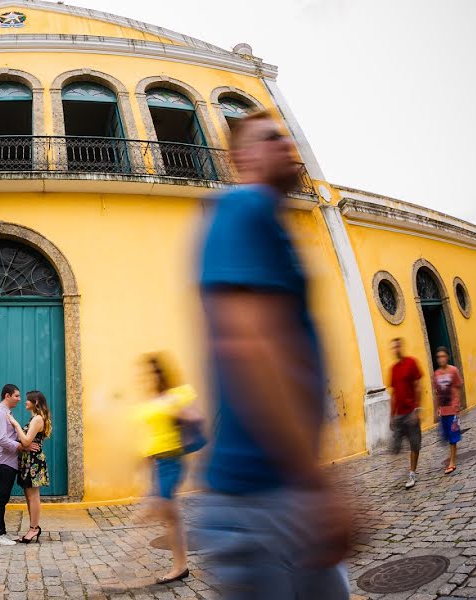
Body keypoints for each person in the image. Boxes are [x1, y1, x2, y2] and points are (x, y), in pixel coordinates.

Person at [195, 110, 351, 599]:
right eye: (269, 138)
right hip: (261, 500)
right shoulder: (246, 206)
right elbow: (248, 344)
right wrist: (315, 485)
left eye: (286, 136)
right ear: (241, 157)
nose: (287, 145)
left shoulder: (267, 222)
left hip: (272, 497)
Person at [135, 354, 202, 584]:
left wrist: (180, 412)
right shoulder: (152, 401)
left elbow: (197, 417)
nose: (144, 379)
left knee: (164, 510)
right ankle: (180, 566)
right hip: (158, 462)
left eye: (149, 374)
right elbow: (155, 434)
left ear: (160, 374)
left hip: (173, 461)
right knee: (169, 516)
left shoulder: (177, 395)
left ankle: (179, 567)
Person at [0, 384, 40, 545]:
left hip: (8, 463)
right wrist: (22, 446)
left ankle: (0, 533)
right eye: (17, 396)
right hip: (3, 462)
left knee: (2, 498)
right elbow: (2, 440)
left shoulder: (6, 414)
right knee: (0, 499)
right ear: (7, 396)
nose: (19, 399)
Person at [8, 390, 52, 543]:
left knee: (33, 496)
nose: (25, 402)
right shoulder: (34, 418)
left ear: (36, 402)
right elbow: (26, 443)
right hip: (28, 460)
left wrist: (16, 424)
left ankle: (34, 529)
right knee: (29, 496)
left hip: (34, 461)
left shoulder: (38, 419)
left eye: (28, 400)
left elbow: (26, 441)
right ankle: (33, 527)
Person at [389, 337, 423, 488]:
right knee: (395, 448)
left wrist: (417, 409)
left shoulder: (411, 362)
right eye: (393, 348)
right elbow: (394, 394)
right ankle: (407, 467)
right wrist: (391, 415)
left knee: (415, 445)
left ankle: (412, 473)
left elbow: (418, 386)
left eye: (397, 347)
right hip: (399, 414)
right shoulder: (393, 369)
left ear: (401, 347)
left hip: (411, 412)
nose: (395, 350)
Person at [433, 346, 463, 474]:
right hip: (443, 411)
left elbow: (459, 386)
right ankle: (451, 456)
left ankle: (452, 462)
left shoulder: (453, 370)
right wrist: (436, 410)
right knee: (445, 436)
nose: (441, 359)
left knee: (452, 437)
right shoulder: (436, 374)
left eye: (443, 356)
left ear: (447, 357)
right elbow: (436, 394)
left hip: (453, 410)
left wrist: (458, 404)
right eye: (439, 357)